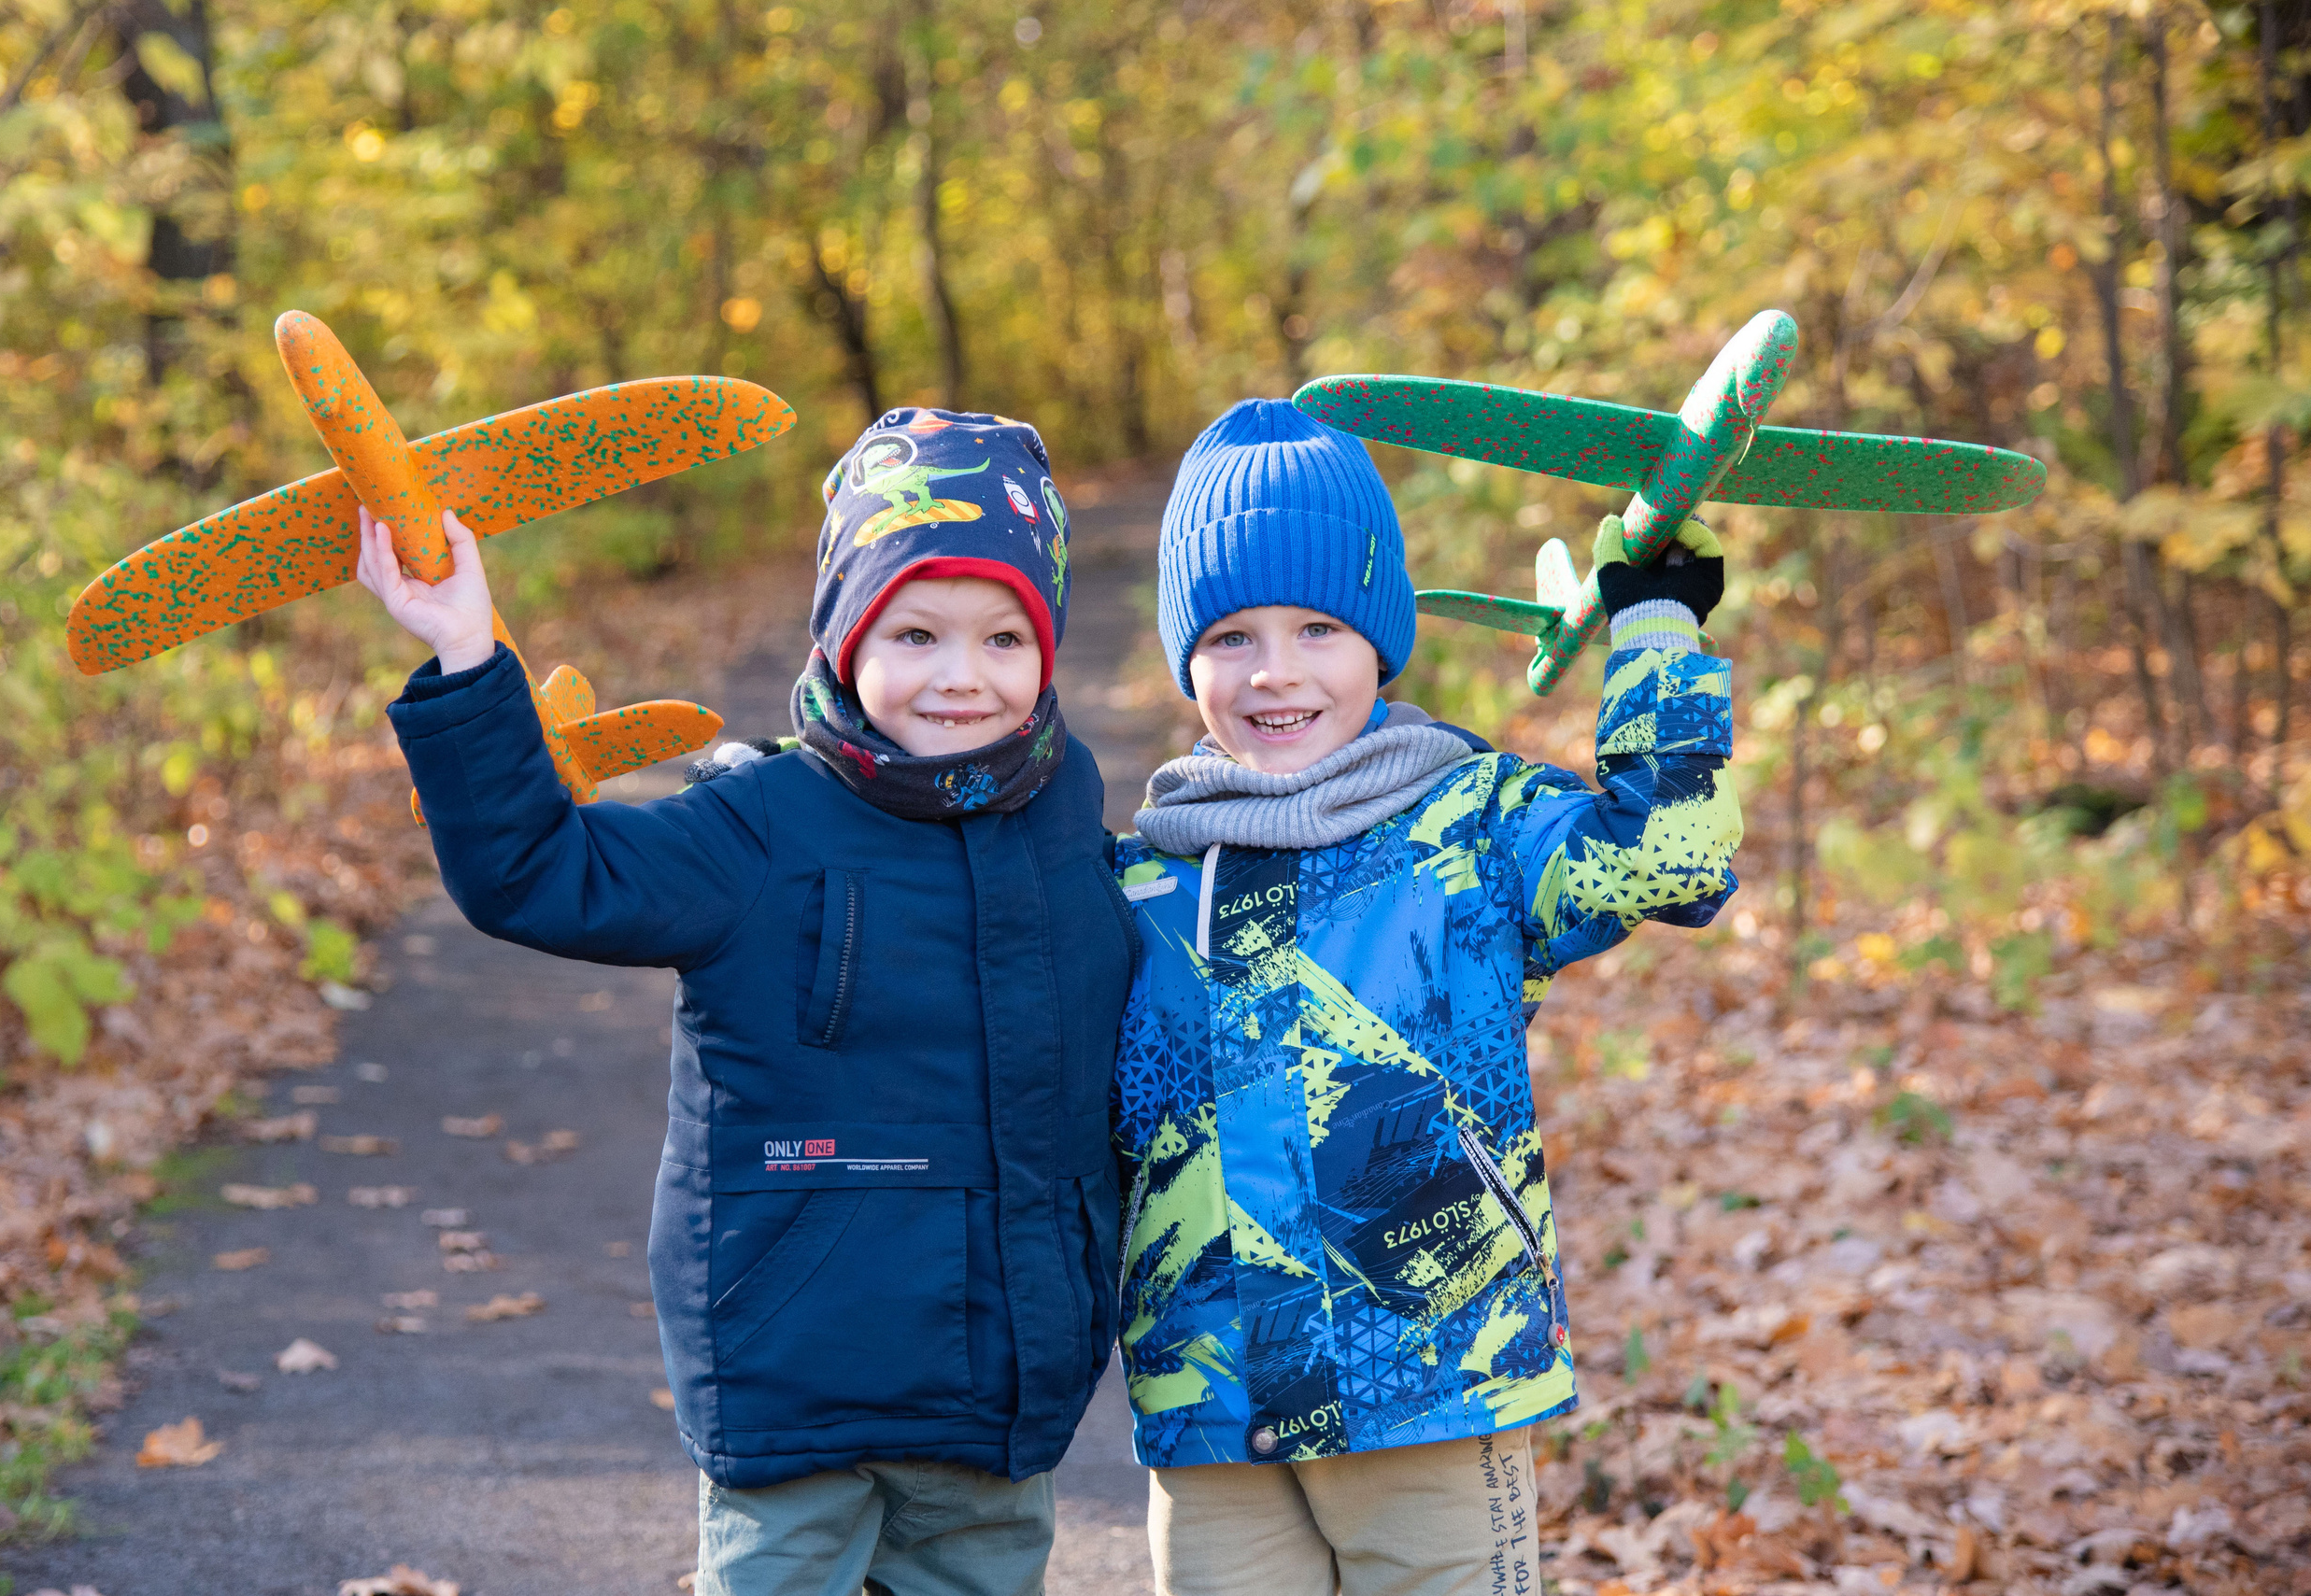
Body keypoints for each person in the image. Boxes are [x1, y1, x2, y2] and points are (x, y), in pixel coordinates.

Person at [360, 408, 1136, 1596]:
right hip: (798, 1376)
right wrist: (470, 661)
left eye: (1002, 638)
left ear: (1047, 647)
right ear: (842, 633)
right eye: (915, 630)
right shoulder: (757, 826)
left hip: (1000, 1390)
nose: (960, 675)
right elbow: (540, 875)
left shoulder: (1068, 818)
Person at [1109, 400, 1741, 1596]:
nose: (1276, 670)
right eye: (1231, 636)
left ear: (1381, 641)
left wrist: (1654, 627)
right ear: (1185, 656)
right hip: (1215, 1408)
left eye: (1317, 627)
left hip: (1438, 1386)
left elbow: (1673, 858)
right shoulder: (1141, 878)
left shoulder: (1473, 827)